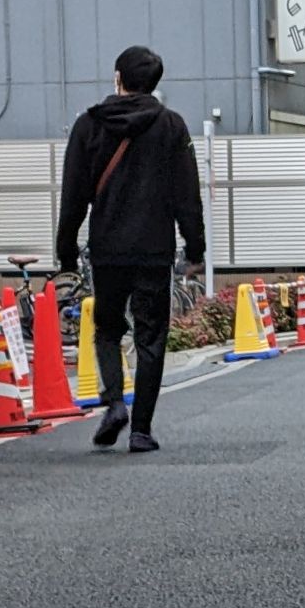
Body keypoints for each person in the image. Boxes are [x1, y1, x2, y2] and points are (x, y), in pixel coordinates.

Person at [56, 45, 205, 452]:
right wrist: (195, 248)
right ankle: (141, 429)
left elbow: (74, 195)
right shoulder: (172, 126)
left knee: (107, 329)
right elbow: (186, 195)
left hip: (107, 250)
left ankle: (114, 403)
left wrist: (66, 250)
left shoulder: (89, 125)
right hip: (154, 250)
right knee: (151, 336)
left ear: (118, 78)